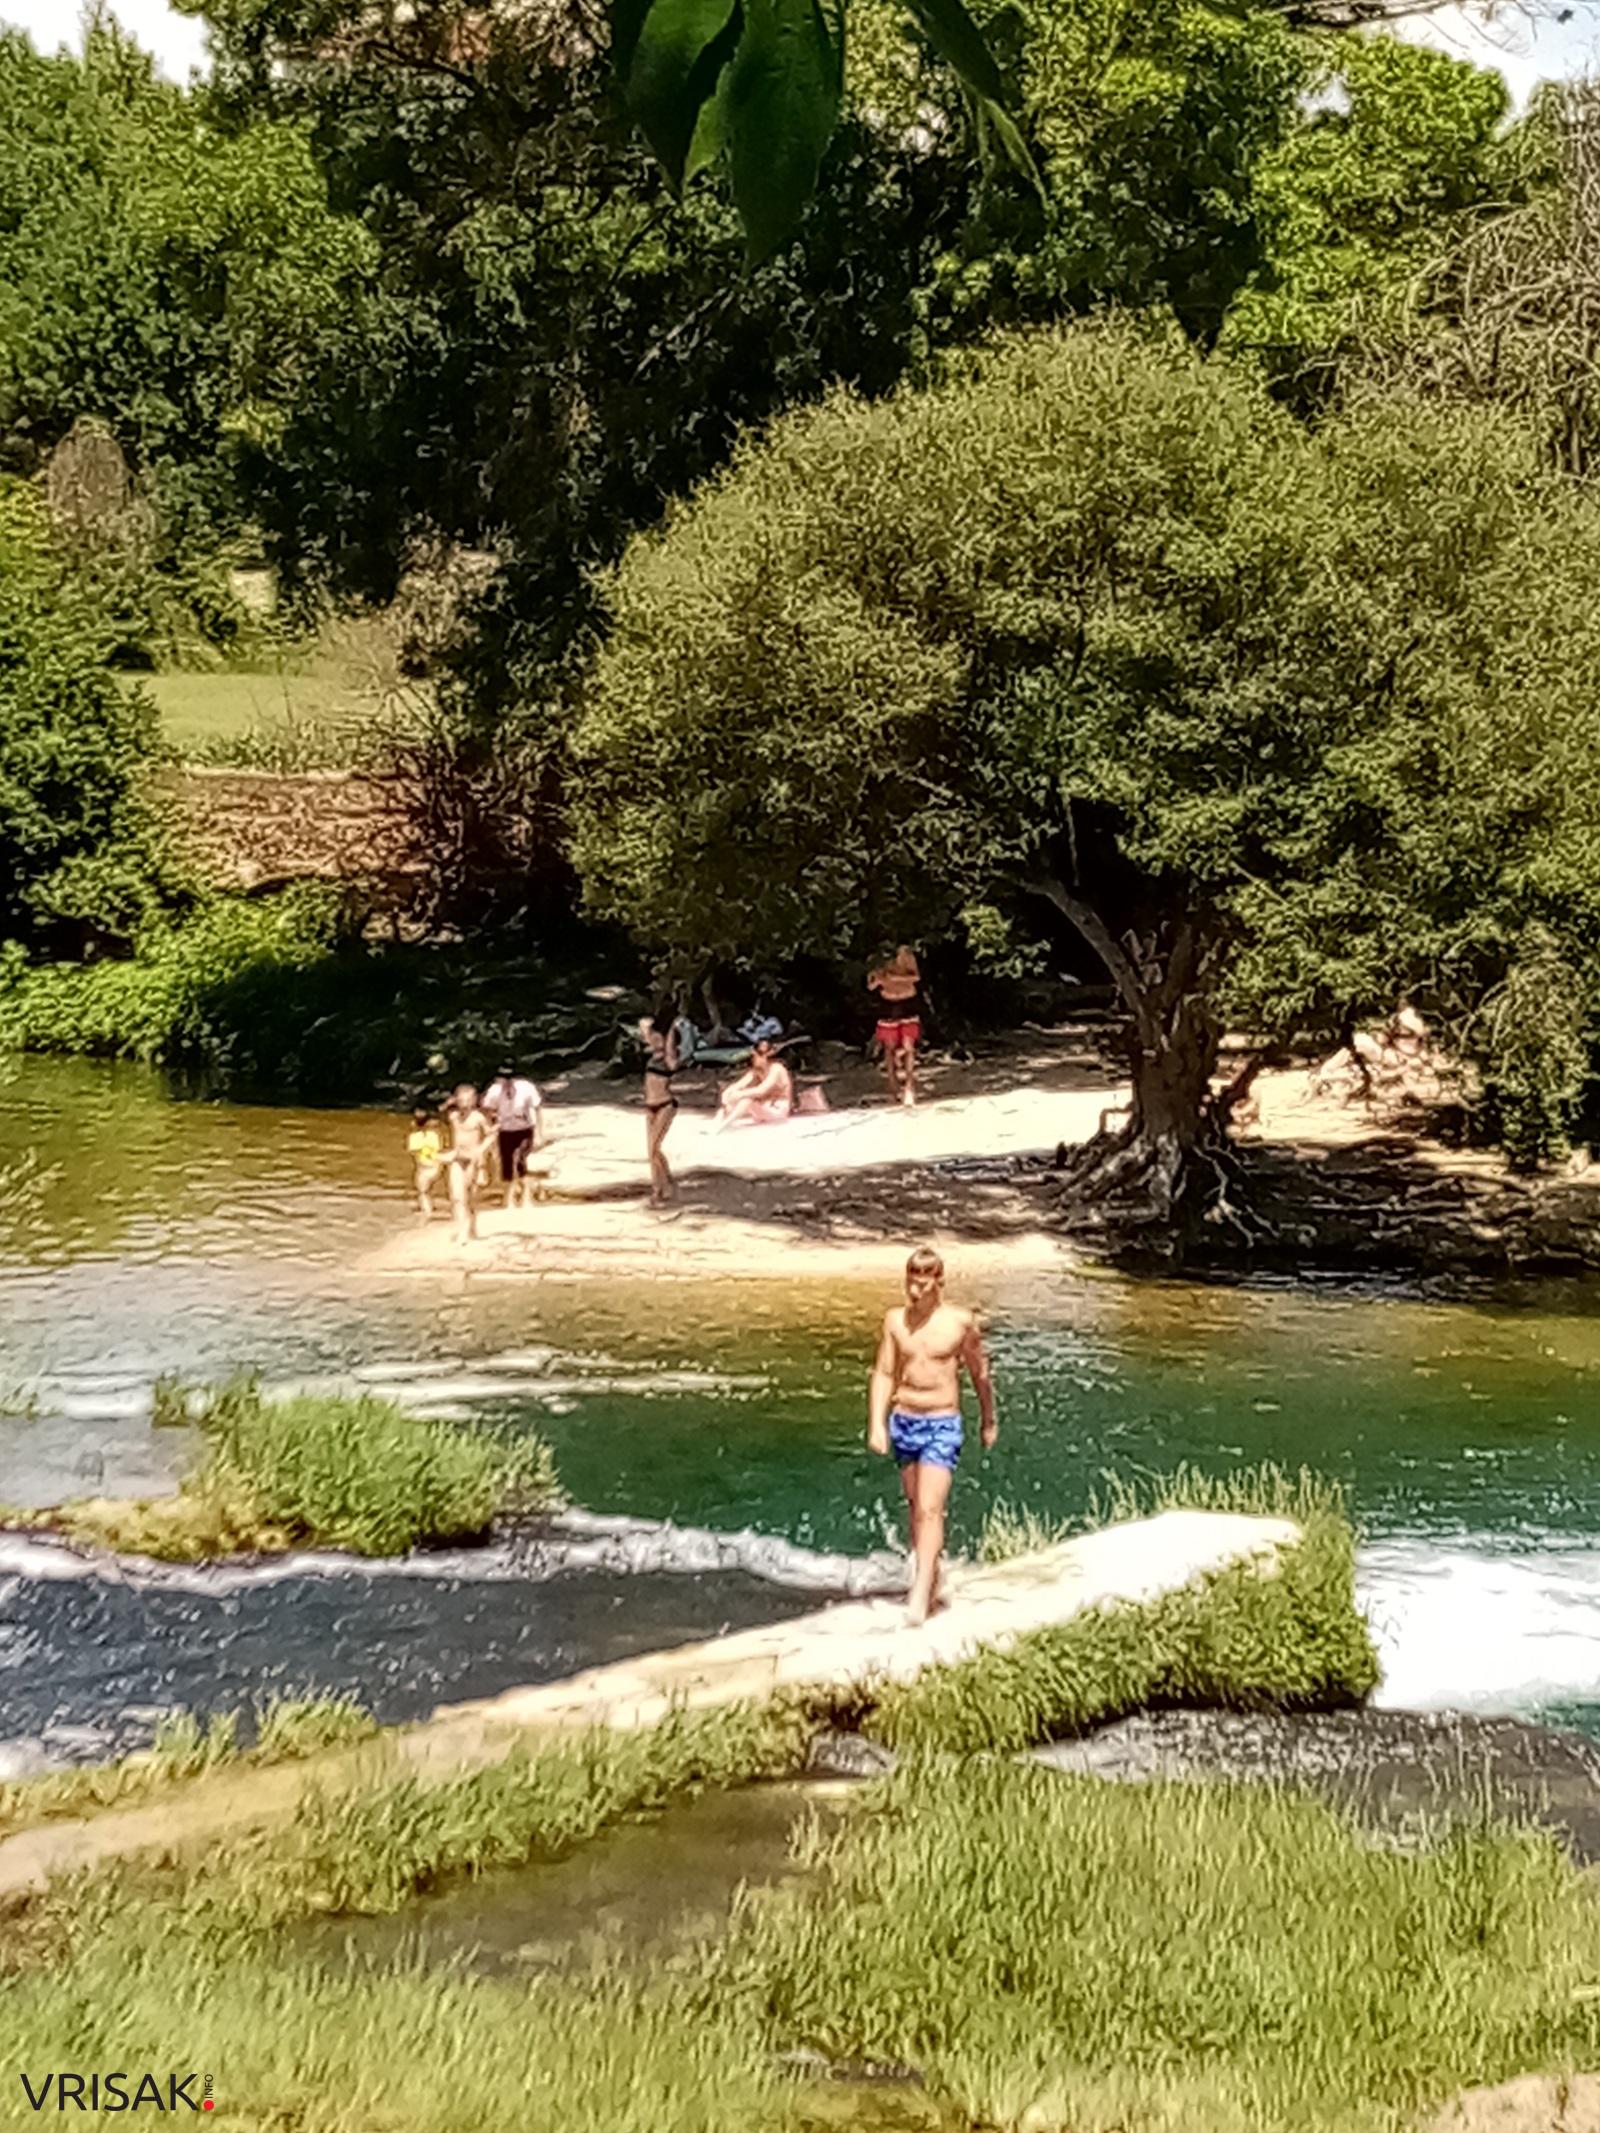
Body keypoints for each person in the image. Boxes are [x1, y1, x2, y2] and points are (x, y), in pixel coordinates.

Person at [868, 1246, 997, 1625]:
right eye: (910, 1278)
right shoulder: (895, 1322)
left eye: (923, 1279)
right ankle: (932, 1573)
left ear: (938, 1282)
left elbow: (980, 1374)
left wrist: (988, 1419)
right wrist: (877, 1422)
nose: (915, 1288)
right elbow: (884, 1373)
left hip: (942, 1424)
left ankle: (919, 1594)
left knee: (929, 1507)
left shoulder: (960, 1323)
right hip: (905, 1420)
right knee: (915, 1508)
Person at [639, 1005, 683, 1210]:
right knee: (651, 1152)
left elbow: (670, 1054)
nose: (652, 1039)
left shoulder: (668, 1059)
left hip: (665, 1105)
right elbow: (644, 1025)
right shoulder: (650, 1057)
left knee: (655, 1148)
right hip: (649, 1106)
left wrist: (672, 1030)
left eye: (657, 1037)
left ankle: (665, 1188)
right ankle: (661, 1187)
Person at [869, 945, 923, 1108]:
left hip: (907, 1003)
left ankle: (909, 1086)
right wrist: (879, 980)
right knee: (889, 1048)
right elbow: (871, 985)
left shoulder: (905, 954)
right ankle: (892, 1086)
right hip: (888, 1005)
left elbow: (915, 977)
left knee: (908, 1046)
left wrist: (893, 978)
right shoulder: (876, 961)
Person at [483, 1064, 543, 1208]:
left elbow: (538, 1108)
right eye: (504, 1078)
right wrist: (492, 1123)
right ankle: (509, 1196)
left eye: (510, 1078)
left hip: (524, 1128)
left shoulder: (526, 1088)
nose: (507, 1082)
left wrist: (539, 1133)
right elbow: (487, 1109)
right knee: (507, 1164)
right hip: (505, 1130)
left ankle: (526, 1195)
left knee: (520, 1159)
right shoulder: (494, 1091)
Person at [443, 1084, 494, 1244]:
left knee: (469, 1198)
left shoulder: (478, 1117)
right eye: (461, 1100)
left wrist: (481, 1151)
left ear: (473, 1101)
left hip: (474, 1161)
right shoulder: (453, 1117)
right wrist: (448, 1103)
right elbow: (437, 1113)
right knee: (457, 1197)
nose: (464, 1104)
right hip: (457, 1160)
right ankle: (462, 1231)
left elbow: (491, 1135)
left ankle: (471, 1226)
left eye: (467, 1100)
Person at [716, 1038, 793, 1128]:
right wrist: (727, 1093)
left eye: (754, 1056)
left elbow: (761, 1090)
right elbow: (739, 1084)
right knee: (728, 1103)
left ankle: (723, 1126)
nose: (752, 1059)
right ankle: (716, 1123)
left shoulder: (777, 1069)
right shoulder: (756, 1071)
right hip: (765, 1108)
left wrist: (738, 1094)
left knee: (747, 1099)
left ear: (765, 1057)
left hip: (778, 1109)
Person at [406, 1106, 442, 1221]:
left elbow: (413, 1152)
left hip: (423, 1168)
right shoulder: (434, 1135)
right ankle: (431, 1206)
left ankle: (427, 1213)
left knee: (422, 1191)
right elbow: (438, 1149)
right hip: (436, 1166)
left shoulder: (413, 1137)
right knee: (428, 1188)